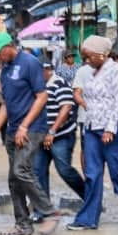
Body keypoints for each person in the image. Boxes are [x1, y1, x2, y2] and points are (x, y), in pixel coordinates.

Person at [0, 32, 60, 235]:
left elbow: (42, 97)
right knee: (14, 179)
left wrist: (24, 126)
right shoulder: (5, 70)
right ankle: (22, 223)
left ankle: (49, 212)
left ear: (9, 46)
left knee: (21, 170)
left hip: (32, 128)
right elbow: (7, 106)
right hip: (13, 129)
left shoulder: (29, 63)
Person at [67, 35, 118, 231]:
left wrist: (110, 128)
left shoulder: (116, 71)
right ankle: (87, 219)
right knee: (92, 174)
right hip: (92, 128)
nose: (86, 62)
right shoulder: (93, 71)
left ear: (102, 54)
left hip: (112, 129)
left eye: (89, 57)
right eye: (84, 57)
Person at [36, 62, 85, 206]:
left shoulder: (59, 83)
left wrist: (52, 131)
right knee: (38, 171)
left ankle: (90, 199)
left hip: (60, 136)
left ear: (48, 70)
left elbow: (66, 107)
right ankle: (43, 210)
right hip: (41, 136)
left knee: (65, 171)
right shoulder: (38, 86)